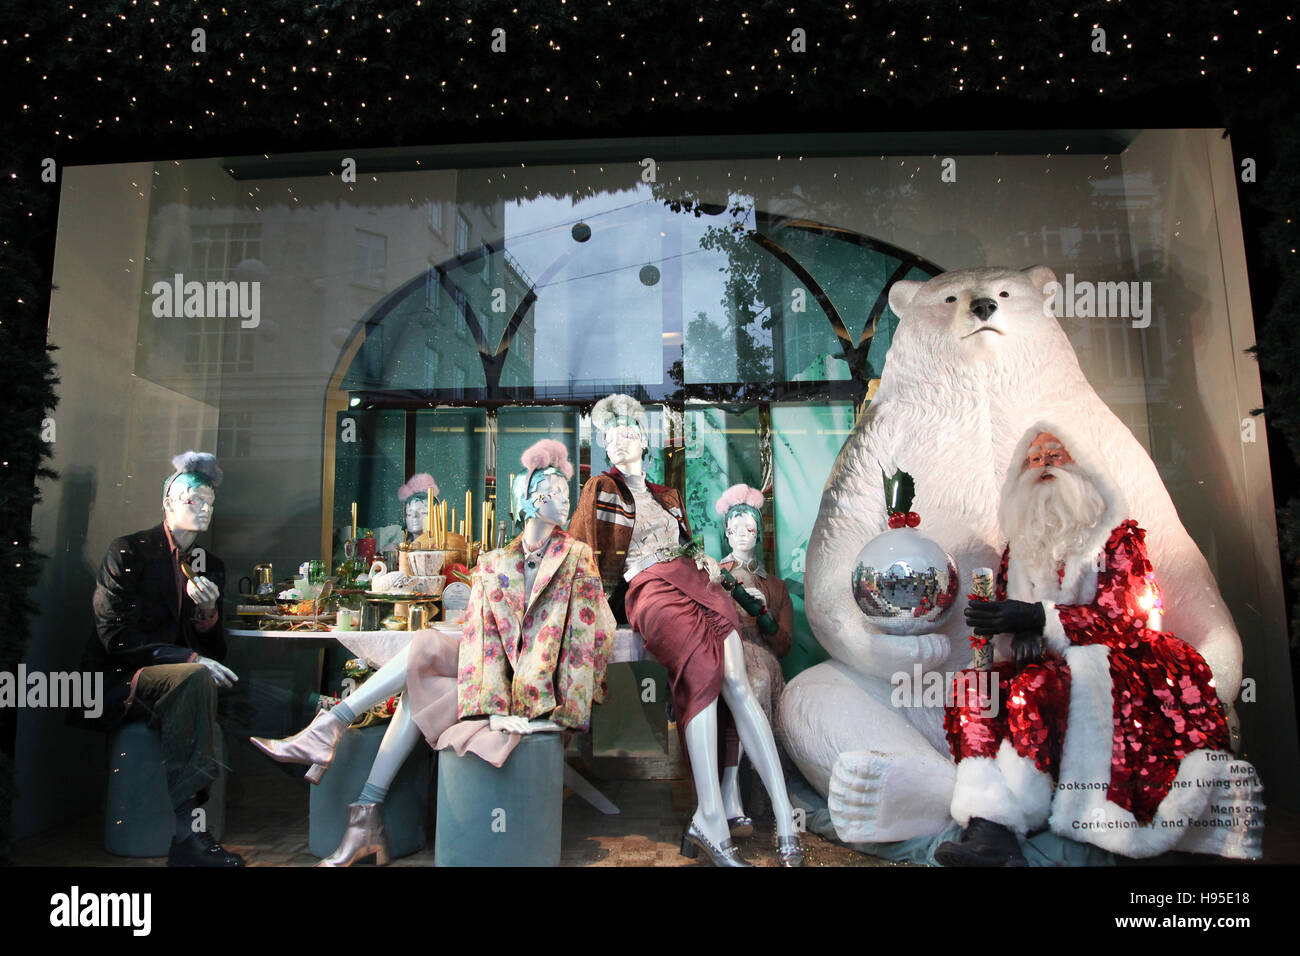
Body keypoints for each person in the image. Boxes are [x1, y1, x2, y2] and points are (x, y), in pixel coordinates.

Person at [251, 442, 614, 865]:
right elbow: (480, 637)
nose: (566, 499)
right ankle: (360, 802)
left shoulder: (577, 557)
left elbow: (590, 637)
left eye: (565, 490)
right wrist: (489, 701)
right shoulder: (494, 562)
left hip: (536, 690)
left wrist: (566, 711)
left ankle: (337, 751)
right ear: (531, 500)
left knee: (416, 674)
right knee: (423, 653)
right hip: (493, 683)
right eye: (555, 490)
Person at [935, 423, 1262, 866]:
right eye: (1034, 459)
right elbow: (1013, 610)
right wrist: (1016, 629)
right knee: (974, 687)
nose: (1044, 465)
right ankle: (989, 824)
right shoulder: (1020, 547)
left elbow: (1126, 616)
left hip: (1118, 661)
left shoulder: (1117, 537)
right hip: (1050, 660)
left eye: (1055, 455)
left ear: (1081, 466)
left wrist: (1040, 619)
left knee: (1032, 691)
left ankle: (1016, 823)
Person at [569, 394, 803, 867]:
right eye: (608, 437)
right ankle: (711, 817)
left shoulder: (668, 496)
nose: (616, 442)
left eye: (626, 433)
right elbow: (579, 553)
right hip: (648, 590)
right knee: (702, 675)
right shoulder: (599, 488)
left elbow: (688, 542)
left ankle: (782, 814)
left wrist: (701, 559)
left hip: (699, 582)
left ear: (642, 440)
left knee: (737, 682)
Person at [82, 451, 244, 867]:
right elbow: (114, 636)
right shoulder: (128, 553)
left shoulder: (210, 566)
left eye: (209, 500)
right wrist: (189, 656)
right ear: (167, 504)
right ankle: (187, 835)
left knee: (226, 686)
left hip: (183, 680)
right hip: (123, 677)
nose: (204, 507)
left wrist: (207, 617)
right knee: (193, 677)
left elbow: (217, 654)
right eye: (193, 500)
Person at [713, 484, 793, 835]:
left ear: (758, 533)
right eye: (736, 527)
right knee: (739, 680)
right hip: (725, 653)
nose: (743, 534)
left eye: (750, 528)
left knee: (757, 682)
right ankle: (728, 794)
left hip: (761, 656)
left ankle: (737, 792)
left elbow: (785, 644)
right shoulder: (715, 576)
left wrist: (764, 615)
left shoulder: (775, 586)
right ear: (726, 532)